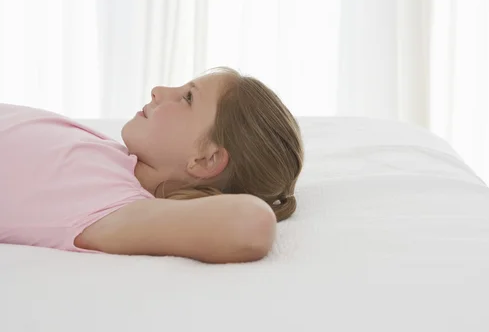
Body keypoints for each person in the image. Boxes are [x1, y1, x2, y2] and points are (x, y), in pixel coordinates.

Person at [0, 67, 304, 264]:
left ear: (205, 159)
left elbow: (251, 224)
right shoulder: (116, 159)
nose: (158, 90)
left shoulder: (116, 209)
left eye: (186, 98)